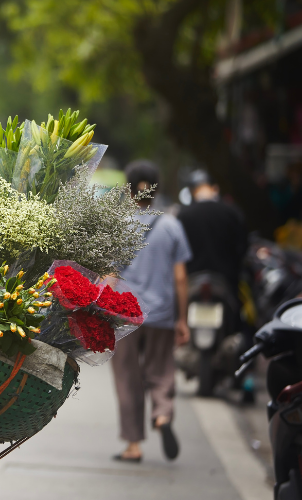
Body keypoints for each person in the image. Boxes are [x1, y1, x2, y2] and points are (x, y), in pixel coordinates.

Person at [112, 160, 192, 463]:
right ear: (156, 190)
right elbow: (180, 277)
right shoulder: (171, 225)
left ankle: (133, 445)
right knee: (161, 369)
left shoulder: (119, 225)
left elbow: (110, 274)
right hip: (162, 312)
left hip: (125, 313)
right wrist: (182, 319)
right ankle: (162, 414)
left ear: (129, 189)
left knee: (127, 376)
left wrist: (98, 309)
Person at [177, 170, 247, 301]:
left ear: (192, 192)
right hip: (227, 281)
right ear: (215, 188)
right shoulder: (231, 212)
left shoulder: (183, 216)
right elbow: (242, 247)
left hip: (192, 283)